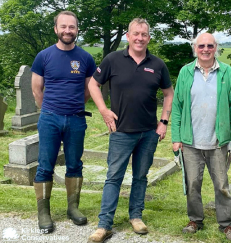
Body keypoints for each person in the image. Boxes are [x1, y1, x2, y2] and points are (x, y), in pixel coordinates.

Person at [87, 18, 174, 243]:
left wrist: (163, 122)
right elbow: (92, 84)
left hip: (148, 132)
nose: (139, 38)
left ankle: (136, 216)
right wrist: (104, 110)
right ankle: (104, 225)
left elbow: (168, 93)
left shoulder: (158, 64)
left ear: (149, 38)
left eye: (144, 34)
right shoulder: (113, 59)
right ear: (128, 35)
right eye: (136, 34)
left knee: (141, 177)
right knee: (113, 177)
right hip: (121, 131)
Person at [31, 11, 96, 233]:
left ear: (77, 30)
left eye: (72, 27)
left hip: (76, 119)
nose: (68, 30)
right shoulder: (44, 56)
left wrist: (73, 107)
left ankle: (73, 208)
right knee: (44, 166)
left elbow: (89, 89)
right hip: (49, 118)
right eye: (64, 27)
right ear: (56, 29)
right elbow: (37, 89)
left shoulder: (86, 58)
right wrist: (50, 111)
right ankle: (44, 212)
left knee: (75, 164)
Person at [171, 33, 231, 241]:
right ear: (195, 48)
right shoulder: (186, 72)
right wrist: (176, 137)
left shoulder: (226, 72)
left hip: (218, 141)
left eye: (210, 45)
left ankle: (226, 224)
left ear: (216, 47)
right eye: (201, 45)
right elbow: (177, 107)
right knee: (192, 183)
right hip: (190, 141)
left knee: (221, 184)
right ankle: (195, 220)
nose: (205, 49)